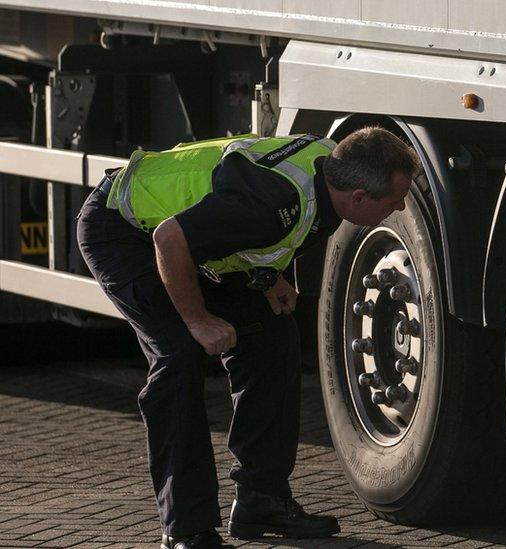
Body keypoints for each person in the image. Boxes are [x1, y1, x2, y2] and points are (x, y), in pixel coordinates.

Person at [76, 127, 420, 549]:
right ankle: (186, 527)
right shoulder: (271, 204)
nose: (400, 206)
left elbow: (244, 227)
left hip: (187, 238)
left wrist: (268, 275)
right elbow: (170, 239)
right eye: (394, 199)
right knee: (178, 356)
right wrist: (198, 319)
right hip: (126, 231)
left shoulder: (330, 168)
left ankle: (262, 501)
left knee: (273, 339)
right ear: (360, 199)